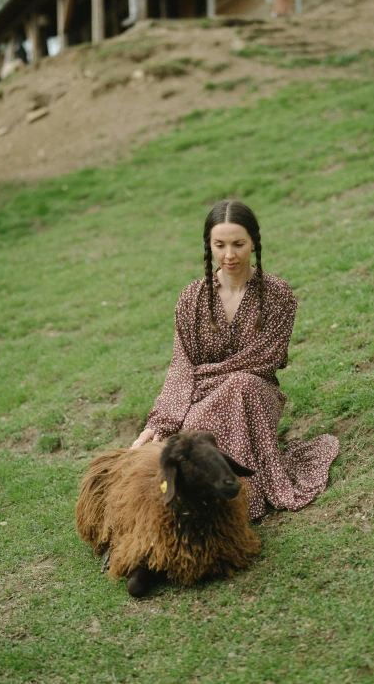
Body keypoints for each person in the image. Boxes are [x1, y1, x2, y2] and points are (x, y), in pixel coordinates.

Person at [132, 200, 339, 520]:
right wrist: (160, 422)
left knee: (241, 384)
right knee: (193, 440)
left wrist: (209, 375)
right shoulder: (192, 298)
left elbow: (266, 358)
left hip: (257, 395)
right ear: (209, 246)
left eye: (238, 244)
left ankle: (246, 502)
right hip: (201, 398)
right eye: (220, 245)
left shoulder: (278, 294)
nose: (230, 255)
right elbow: (182, 364)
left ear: (254, 242)